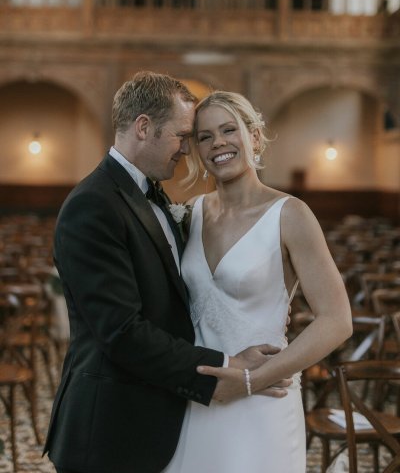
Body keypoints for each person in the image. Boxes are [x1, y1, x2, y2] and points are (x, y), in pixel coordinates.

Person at [43, 72, 290, 473]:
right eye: (182, 136)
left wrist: (260, 303)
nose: (187, 150)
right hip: (109, 430)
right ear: (144, 127)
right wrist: (225, 364)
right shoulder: (93, 205)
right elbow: (122, 332)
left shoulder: (154, 196)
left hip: (160, 417)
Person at [163, 90, 353, 473]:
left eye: (229, 129)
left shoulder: (290, 214)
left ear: (254, 136)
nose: (218, 142)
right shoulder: (191, 214)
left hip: (262, 400)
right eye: (204, 136)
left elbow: (337, 321)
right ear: (197, 148)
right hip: (198, 398)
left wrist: (250, 381)